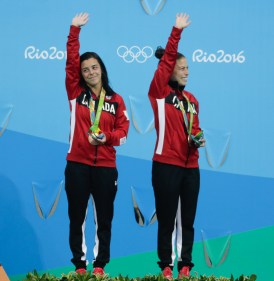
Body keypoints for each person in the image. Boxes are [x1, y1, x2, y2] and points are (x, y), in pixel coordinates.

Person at [64, 12, 130, 276]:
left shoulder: (116, 100)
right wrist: (74, 31)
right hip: (77, 164)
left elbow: (123, 133)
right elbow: (70, 61)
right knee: (76, 218)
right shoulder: (75, 93)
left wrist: (107, 138)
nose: (90, 72)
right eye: (85, 69)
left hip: (105, 166)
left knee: (104, 219)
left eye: (94, 67)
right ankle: (80, 266)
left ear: (101, 69)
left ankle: (100, 265)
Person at [148, 13, 205, 279]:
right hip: (166, 165)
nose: (187, 72)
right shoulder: (160, 92)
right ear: (169, 69)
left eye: (188, 68)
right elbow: (168, 58)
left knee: (187, 221)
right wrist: (176, 32)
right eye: (182, 68)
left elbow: (193, 128)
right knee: (167, 219)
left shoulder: (192, 99)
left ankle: (185, 265)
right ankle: (166, 266)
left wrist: (198, 138)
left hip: (190, 166)